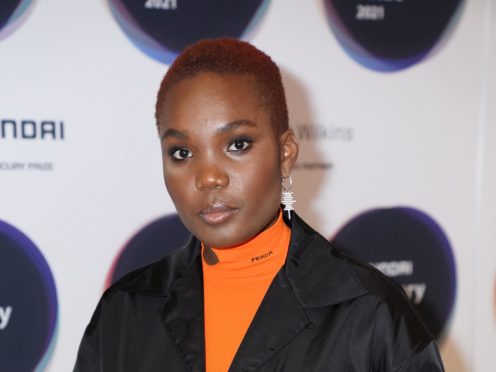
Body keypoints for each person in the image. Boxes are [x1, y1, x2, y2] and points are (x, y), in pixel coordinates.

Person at [74, 38, 445, 372]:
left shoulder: (370, 313)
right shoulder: (125, 311)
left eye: (237, 145)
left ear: (285, 153)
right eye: (182, 152)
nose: (208, 177)